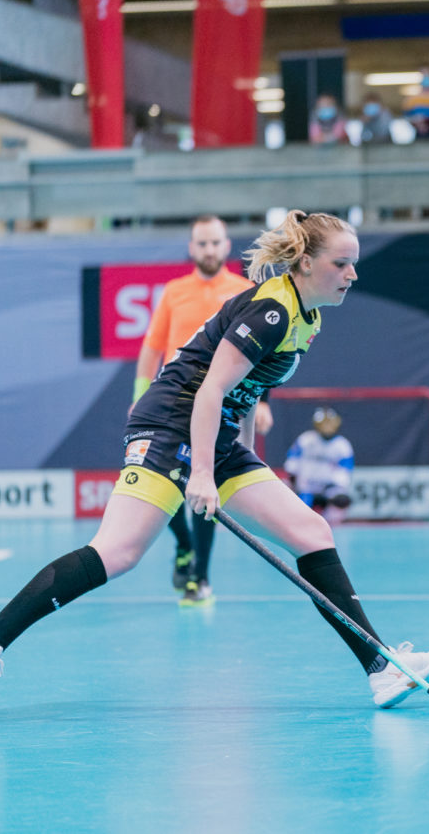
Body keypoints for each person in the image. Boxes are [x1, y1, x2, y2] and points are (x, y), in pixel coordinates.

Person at [0, 210, 429, 711]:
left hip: (216, 436)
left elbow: (249, 389)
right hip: (169, 426)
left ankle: (381, 670)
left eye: (354, 264)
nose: (353, 274)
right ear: (304, 261)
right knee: (117, 553)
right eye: (342, 263)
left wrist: (248, 462)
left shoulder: (306, 317)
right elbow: (211, 390)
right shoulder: (271, 311)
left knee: (312, 533)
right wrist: (205, 477)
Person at [133, 215, 274, 605]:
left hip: (224, 407)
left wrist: (259, 402)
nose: (209, 250)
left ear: (227, 246)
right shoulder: (174, 292)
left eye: (215, 243)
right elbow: (151, 349)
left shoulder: (246, 291)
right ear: (192, 248)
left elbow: (262, 356)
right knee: (163, 483)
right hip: (173, 405)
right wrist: (140, 395)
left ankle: (199, 577)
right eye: (202, 243)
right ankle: (183, 545)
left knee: (208, 483)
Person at [285, 406, 355, 527]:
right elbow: (292, 464)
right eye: (324, 423)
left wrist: (333, 485)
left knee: (341, 500)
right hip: (306, 487)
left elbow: (344, 472)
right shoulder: (306, 439)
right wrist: (294, 483)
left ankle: (331, 528)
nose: (327, 427)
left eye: (330, 423)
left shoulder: (342, 445)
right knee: (289, 495)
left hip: (329, 489)